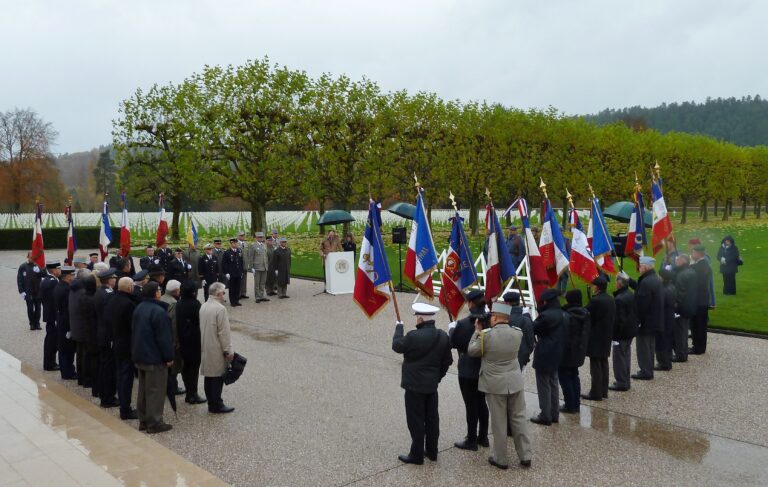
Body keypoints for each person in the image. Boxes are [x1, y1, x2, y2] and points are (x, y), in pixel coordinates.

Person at [467, 302, 533, 470]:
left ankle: (501, 458)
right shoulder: (517, 333)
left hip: (495, 385)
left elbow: (472, 351)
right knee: (519, 419)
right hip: (514, 382)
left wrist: (476, 332)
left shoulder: (486, 335)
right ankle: (525, 455)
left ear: (495, 317)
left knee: (499, 422)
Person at [392, 303, 452, 465]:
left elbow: (397, 346)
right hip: (431, 386)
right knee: (432, 419)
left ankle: (416, 454)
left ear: (420, 318)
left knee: (416, 420)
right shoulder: (443, 336)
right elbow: (448, 361)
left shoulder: (413, 336)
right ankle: (432, 451)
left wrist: (399, 329)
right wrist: (437, 377)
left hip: (414, 386)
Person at [448, 289, 489, 451]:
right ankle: (483, 437)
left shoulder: (465, 323)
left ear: (471, 303)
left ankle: (471, 439)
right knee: (481, 402)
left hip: (468, 368)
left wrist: (452, 329)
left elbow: (453, 342)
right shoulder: (490, 320)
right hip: (485, 367)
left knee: (471, 405)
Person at [132, 281, 174, 433]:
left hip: (141, 354)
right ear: (155, 293)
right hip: (154, 357)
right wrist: (169, 357)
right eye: (159, 290)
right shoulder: (159, 312)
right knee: (155, 390)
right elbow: (164, 338)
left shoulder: (139, 308)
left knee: (143, 390)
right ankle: (154, 422)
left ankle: (143, 420)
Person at [531, 288, 567, 425]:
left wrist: (531, 317)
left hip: (545, 353)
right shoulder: (563, 313)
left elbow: (535, 328)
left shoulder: (546, 316)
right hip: (557, 352)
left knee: (543, 384)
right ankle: (554, 413)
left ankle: (545, 415)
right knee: (553, 383)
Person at [200, 282, 235, 413]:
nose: (224, 296)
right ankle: (216, 404)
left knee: (209, 376)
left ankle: (212, 401)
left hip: (205, 345)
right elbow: (224, 333)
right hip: (216, 347)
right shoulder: (220, 309)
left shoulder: (204, 306)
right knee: (217, 376)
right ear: (219, 294)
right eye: (223, 293)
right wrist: (228, 350)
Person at [111, 277, 139, 420]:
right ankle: (125, 409)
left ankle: (124, 406)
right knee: (126, 378)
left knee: (121, 375)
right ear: (129, 288)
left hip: (117, 342)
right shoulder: (128, 304)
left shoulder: (114, 299)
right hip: (127, 344)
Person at [583, 276, 615, 400]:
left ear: (597, 287)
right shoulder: (611, 299)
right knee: (604, 363)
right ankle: (603, 391)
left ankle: (595, 393)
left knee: (595, 365)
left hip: (596, 336)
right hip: (606, 335)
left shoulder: (596, 301)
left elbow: (586, 313)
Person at [559, 290, 590, 414]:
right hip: (578, 351)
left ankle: (570, 404)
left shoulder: (567, 315)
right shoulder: (585, 313)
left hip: (567, 352)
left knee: (565, 378)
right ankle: (575, 404)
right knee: (574, 377)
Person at [633, 256, 663, 380]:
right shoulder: (654, 278)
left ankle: (645, 371)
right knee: (650, 346)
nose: (639, 268)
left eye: (640, 266)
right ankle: (648, 369)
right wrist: (629, 281)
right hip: (653, 319)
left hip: (645, 321)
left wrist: (637, 320)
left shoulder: (646, 282)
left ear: (645, 267)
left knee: (643, 347)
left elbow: (642, 304)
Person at [176, 280, 205, 405]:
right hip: (194, 341)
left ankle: (189, 392)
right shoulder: (195, 304)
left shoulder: (179, 303)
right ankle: (193, 394)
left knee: (186, 368)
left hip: (182, 339)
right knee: (193, 369)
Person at [610, 272, 638, 391]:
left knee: (619, 358)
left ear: (620, 284)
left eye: (616, 281)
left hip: (622, 333)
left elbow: (619, 320)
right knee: (625, 356)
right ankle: (625, 380)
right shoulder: (630, 294)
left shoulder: (619, 299)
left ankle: (621, 382)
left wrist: (614, 336)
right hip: (630, 331)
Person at [95, 268, 119, 408]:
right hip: (108, 335)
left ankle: (105, 394)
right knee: (109, 368)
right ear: (110, 280)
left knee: (104, 365)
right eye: (114, 278)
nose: (115, 280)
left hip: (102, 333)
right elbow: (111, 317)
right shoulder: (109, 295)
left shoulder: (100, 292)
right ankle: (108, 397)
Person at [160, 280, 184, 397]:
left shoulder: (162, 298)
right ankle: (172, 387)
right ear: (176, 291)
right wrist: (175, 342)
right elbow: (173, 324)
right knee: (173, 368)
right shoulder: (173, 304)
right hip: (170, 340)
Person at [672, 254, 697, 362]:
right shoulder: (692, 272)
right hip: (689, 305)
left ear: (683, 261)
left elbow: (680, 293)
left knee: (679, 332)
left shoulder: (681, 275)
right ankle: (683, 353)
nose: (675, 262)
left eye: (677, 260)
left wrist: (675, 305)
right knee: (684, 331)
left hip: (681, 308)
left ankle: (680, 354)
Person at [79, 273, 100, 398]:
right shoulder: (93, 299)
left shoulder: (83, 296)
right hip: (93, 332)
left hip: (86, 330)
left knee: (87, 356)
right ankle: (94, 384)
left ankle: (87, 380)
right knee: (94, 359)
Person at [55, 266, 77, 380]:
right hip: (65, 322)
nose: (73, 277)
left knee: (64, 348)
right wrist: (70, 327)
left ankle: (67, 370)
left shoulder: (60, 286)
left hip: (61, 321)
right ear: (67, 276)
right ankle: (68, 372)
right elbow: (68, 310)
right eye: (72, 275)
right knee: (66, 349)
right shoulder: (66, 290)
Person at [690, 245, 712, 355]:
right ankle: (700, 347)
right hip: (703, 299)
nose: (692, 254)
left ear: (698, 254)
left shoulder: (697, 267)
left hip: (698, 300)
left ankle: (697, 347)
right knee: (701, 325)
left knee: (697, 325)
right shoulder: (705, 265)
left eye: (693, 252)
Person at [504, 292, 534, 371]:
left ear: (507, 303)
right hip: (521, 357)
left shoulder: (502, 318)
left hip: (504, 358)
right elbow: (531, 342)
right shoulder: (526, 319)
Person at [40, 261, 61, 371]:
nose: (60, 270)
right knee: (51, 340)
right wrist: (56, 317)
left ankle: (50, 362)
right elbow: (53, 302)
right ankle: (49, 363)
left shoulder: (49, 280)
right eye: (59, 268)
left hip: (50, 315)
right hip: (52, 316)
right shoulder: (51, 282)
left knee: (51, 339)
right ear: (54, 270)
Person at [656, 269, 677, 372]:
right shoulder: (671, 287)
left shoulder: (663, 290)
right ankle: (667, 361)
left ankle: (663, 363)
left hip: (663, 318)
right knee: (668, 340)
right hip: (669, 317)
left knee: (662, 341)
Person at [17, 252, 43, 330]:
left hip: (38, 291)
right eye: (31, 257)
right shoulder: (22, 267)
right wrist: (21, 291)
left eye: (34, 258)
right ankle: (32, 323)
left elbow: (44, 274)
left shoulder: (38, 265)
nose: (32, 259)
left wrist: (40, 271)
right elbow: (19, 280)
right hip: (28, 291)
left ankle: (37, 323)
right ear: (27, 257)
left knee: (38, 308)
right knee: (30, 308)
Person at [688, 238, 715, 309]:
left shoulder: (705, 258)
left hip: (703, 284)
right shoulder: (694, 256)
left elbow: (701, 269)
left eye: (691, 245)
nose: (689, 247)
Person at [221, 238, 244, 306]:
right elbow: (224, 264)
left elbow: (241, 262)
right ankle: (232, 301)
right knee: (232, 288)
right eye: (234, 243)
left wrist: (241, 271)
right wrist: (226, 273)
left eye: (236, 243)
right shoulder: (227, 252)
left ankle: (236, 300)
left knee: (237, 287)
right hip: (231, 273)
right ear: (231, 244)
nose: (235, 244)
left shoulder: (239, 251)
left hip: (238, 273)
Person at [250, 232, 270, 302]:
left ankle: (262, 295)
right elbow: (251, 257)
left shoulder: (264, 245)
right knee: (257, 283)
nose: (261, 238)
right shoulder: (253, 246)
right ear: (256, 238)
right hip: (257, 267)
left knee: (262, 283)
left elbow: (265, 256)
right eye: (259, 237)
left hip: (264, 267)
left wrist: (267, 265)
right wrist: (252, 267)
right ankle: (257, 297)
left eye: (262, 237)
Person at [237, 231, 250, 300]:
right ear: (238, 236)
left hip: (245, 264)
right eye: (241, 235)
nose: (242, 237)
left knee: (244, 279)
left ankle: (243, 293)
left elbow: (248, 254)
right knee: (239, 279)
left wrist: (248, 264)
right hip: (239, 265)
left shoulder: (245, 243)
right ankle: (238, 294)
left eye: (243, 235)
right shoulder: (236, 243)